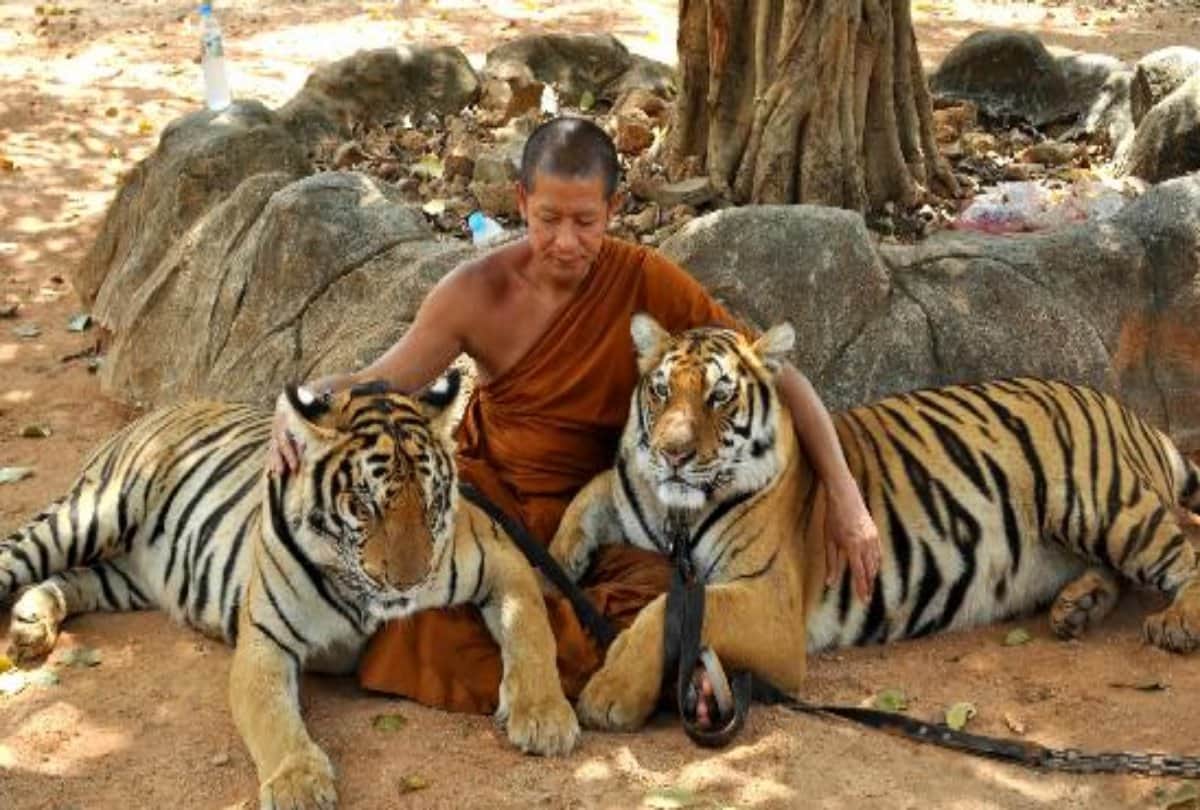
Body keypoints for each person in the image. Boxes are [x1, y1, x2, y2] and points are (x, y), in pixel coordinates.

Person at [268, 116, 882, 716]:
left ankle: (625, 662)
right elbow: (379, 378)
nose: (566, 241)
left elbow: (779, 377)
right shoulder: (477, 291)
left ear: (613, 210)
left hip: (611, 517)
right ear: (520, 201)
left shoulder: (646, 278)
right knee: (431, 605)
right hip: (504, 506)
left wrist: (846, 496)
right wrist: (297, 404)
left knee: (677, 602)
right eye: (548, 220)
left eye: (586, 222)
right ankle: (619, 670)